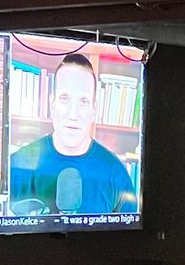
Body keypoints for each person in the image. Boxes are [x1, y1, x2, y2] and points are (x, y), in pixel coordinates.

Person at [8, 52, 138, 215]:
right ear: (52, 103)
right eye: (64, 99)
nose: (73, 114)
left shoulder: (115, 172)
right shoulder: (18, 165)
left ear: (94, 109)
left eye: (83, 101)